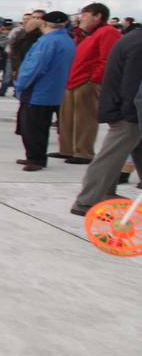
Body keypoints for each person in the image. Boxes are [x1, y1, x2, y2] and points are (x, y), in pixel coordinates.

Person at [70, 23, 142, 215]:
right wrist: (133, 113)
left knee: (130, 150)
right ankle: (87, 200)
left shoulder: (133, 38)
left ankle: (105, 192)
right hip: (128, 110)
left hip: (124, 107)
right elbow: (132, 83)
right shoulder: (138, 43)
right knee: (111, 155)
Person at [56, 2, 122, 164]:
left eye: (85, 15)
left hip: (86, 82)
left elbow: (107, 58)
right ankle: (67, 149)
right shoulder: (85, 34)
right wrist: (80, 33)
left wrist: (94, 79)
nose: (81, 18)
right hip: (73, 80)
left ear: (97, 16)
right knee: (67, 118)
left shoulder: (108, 32)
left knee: (85, 118)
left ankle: (83, 152)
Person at [14, 11, 76, 171]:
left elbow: (35, 66)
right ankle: (36, 156)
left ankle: (35, 158)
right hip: (54, 90)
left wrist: (21, 84)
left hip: (38, 91)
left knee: (32, 128)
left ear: (44, 23)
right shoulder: (67, 40)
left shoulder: (47, 41)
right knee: (41, 126)